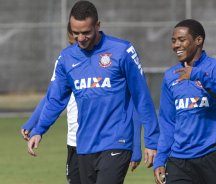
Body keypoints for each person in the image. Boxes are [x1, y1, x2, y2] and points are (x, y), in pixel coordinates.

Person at [26, 1, 159, 184]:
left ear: (97, 26)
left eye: (86, 32)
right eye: (76, 33)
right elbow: (55, 99)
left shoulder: (122, 51)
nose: (80, 38)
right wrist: (39, 129)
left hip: (116, 140)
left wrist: (151, 141)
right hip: (85, 144)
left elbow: (141, 97)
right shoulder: (66, 58)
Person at [153, 19, 216, 184]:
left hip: (214, 155)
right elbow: (168, 122)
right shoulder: (170, 76)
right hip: (179, 160)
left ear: (199, 40)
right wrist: (160, 159)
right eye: (173, 41)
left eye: (181, 40)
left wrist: (199, 76)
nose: (176, 45)